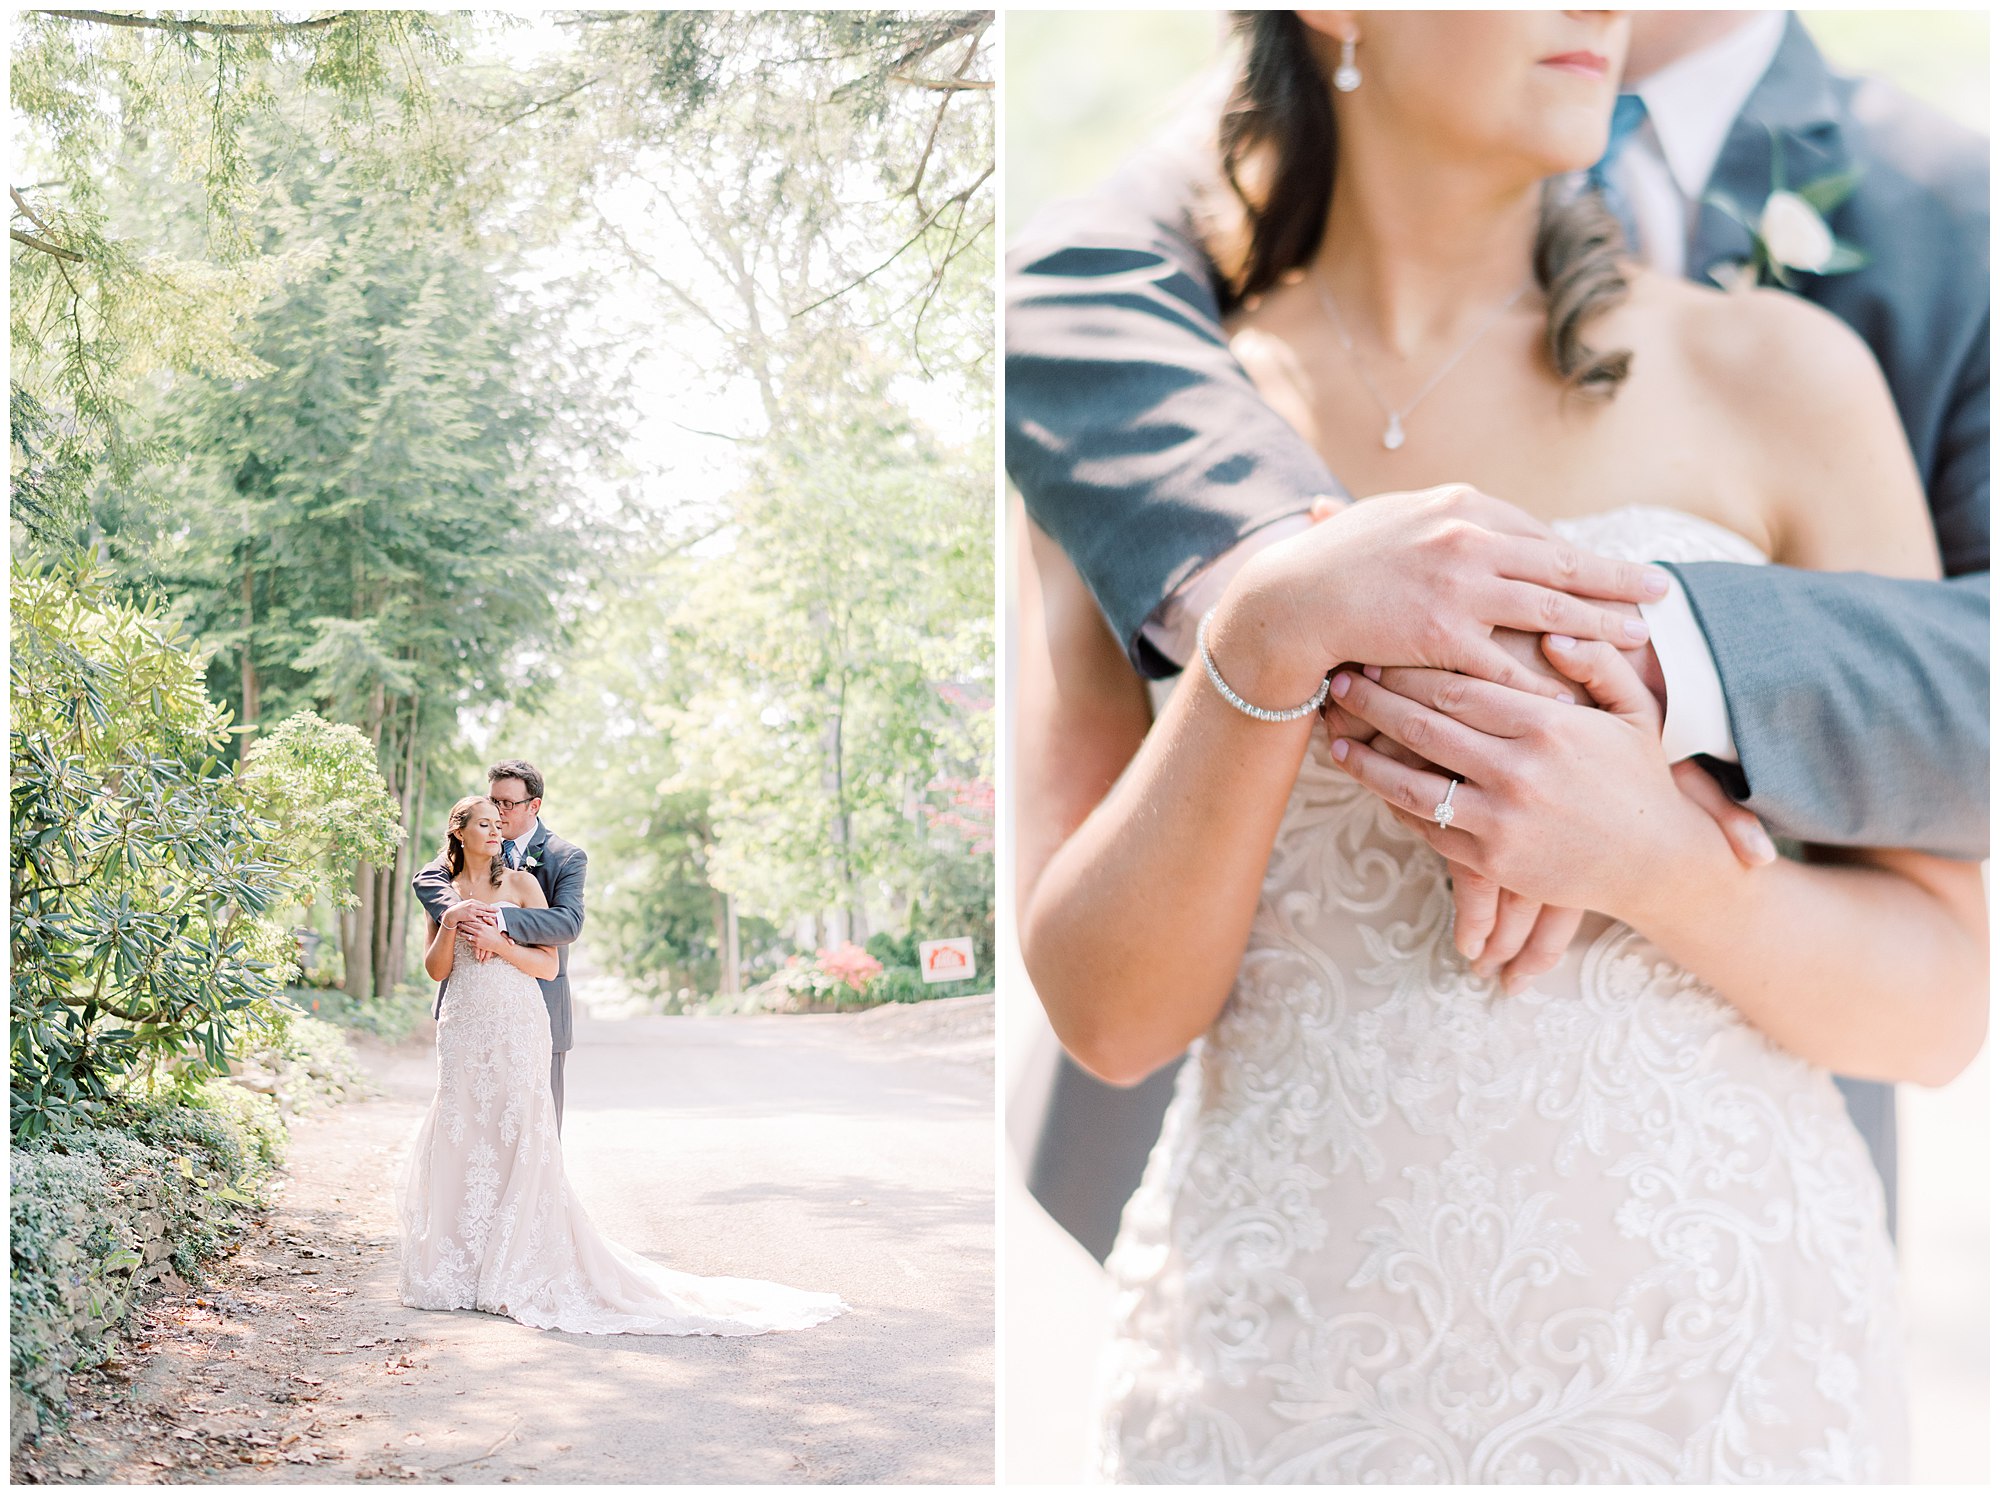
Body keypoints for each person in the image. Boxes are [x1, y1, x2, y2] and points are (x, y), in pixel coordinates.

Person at [1013, 11, 1985, 1480]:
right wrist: (1260, 648)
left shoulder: (1783, 378)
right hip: (1279, 1379)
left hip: (1718, 1381)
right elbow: (1110, 1013)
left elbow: (1938, 1005)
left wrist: (1668, 866)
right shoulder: (1153, 425)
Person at [398, 794, 846, 1336]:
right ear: (460, 832)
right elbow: (435, 969)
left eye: (500, 824)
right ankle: (460, 1266)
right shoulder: (442, 891)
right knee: (463, 1132)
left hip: (516, 1023)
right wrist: (450, 923)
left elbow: (547, 965)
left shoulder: (520, 885)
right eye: (486, 825)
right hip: (464, 1026)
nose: (497, 833)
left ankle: (515, 1266)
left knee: (518, 1131)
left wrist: (499, 939)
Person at [412, 760, 584, 1131]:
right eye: (493, 802)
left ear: (533, 806)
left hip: (535, 1011)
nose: (498, 814)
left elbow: (567, 923)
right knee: (465, 1125)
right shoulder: (463, 854)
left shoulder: (563, 856)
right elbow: (426, 879)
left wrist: (498, 922)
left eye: (507, 804)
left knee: (536, 1133)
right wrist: (458, 916)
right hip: (467, 1011)